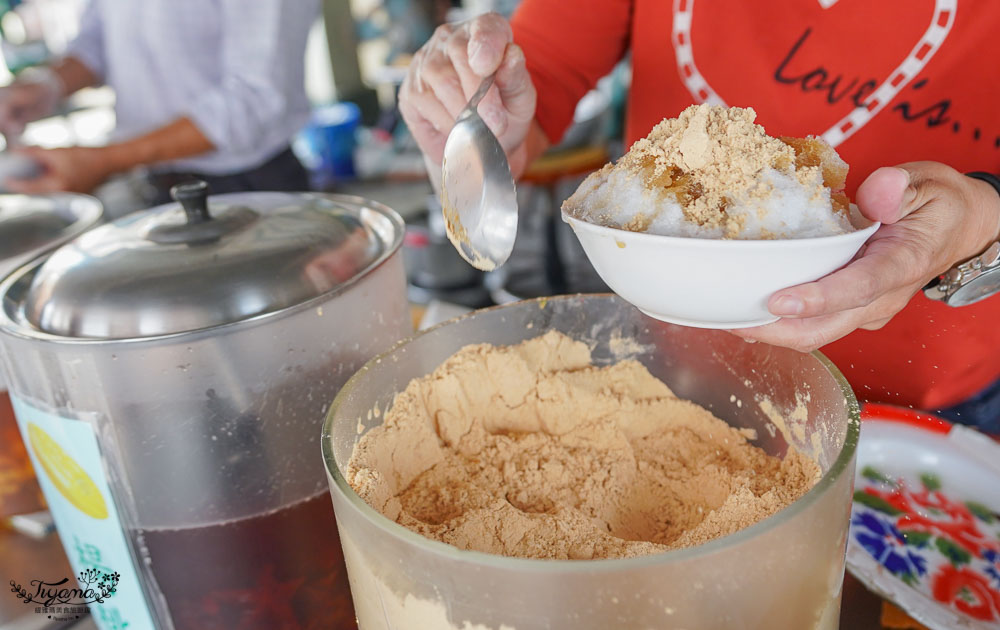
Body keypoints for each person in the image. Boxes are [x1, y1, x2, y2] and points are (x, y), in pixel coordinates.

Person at [398, 5, 1000, 428]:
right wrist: (469, 102)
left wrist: (982, 223)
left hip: (939, 403)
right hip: (684, 379)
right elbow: (534, 79)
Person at [0, 0, 319, 203]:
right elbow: (97, 38)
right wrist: (45, 86)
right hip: (154, 184)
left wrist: (103, 161)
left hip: (250, 186)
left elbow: (254, 97)